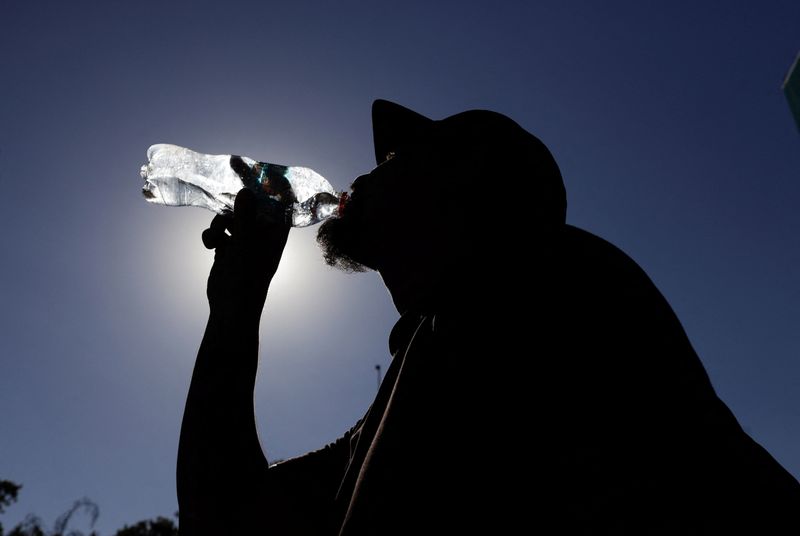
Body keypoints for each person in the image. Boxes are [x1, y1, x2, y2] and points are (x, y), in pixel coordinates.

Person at [177, 100, 800, 535]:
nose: (365, 170)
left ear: (466, 186)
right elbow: (228, 515)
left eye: (397, 156)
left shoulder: (554, 286)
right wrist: (236, 308)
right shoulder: (431, 352)